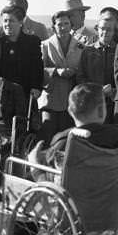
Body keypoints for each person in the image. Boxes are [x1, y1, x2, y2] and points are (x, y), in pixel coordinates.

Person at [33, 81, 118, 167]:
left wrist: (36, 167)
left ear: (70, 112)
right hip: (110, 186)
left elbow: (51, 171)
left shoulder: (63, 141)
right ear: (101, 111)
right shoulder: (116, 136)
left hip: (72, 187)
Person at [0, 3, 45, 144]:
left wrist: (36, 87)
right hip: (0, 94)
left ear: (21, 22)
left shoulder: (32, 42)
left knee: (20, 134)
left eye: (11, 20)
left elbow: (37, 67)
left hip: (23, 96)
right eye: (5, 20)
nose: (7, 24)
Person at [38, 10, 82, 144]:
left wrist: (75, 72)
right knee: (48, 137)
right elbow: (38, 70)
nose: (63, 27)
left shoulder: (80, 46)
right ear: (53, 27)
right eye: (59, 24)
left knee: (65, 139)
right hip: (50, 99)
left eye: (66, 23)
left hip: (70, 100)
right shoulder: (45, 45)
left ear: (71, 25)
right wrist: (56, 72)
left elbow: (83, 70)